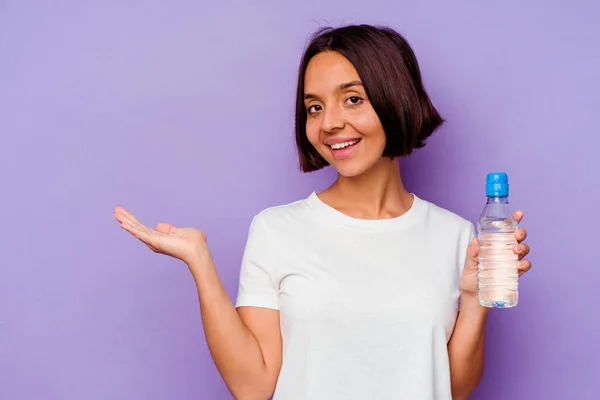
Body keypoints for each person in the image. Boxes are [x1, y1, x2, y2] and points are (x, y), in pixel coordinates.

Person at [114, 24, 532, 400]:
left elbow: (451, 387)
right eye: (314, 107)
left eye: (352, 99)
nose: (329, 122)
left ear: (395, 99)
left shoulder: (457, 236)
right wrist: (200, 261)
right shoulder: (277, 229)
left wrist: (477, 302)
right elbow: (253, 387)